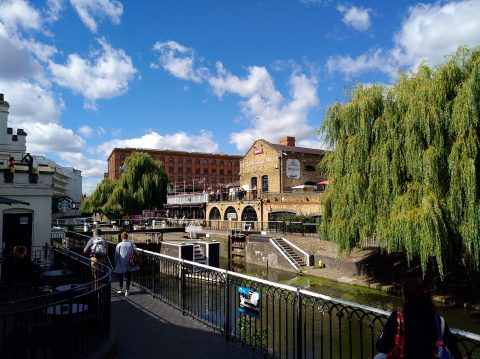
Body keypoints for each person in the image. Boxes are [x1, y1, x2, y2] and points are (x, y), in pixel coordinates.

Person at [374, 278, 461, 359]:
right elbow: (456, 353)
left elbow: (381, 346)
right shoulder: (439, 321)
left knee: (379, 357)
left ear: (406, 298)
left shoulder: (397, 318)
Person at [113, 231, 140, 296]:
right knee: (128, 276)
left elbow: (116, 255)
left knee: (121, 276)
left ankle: (121, 289)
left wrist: (115, 262)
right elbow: (135, 250)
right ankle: (127, 291)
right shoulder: (131, 244)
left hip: (121, 262)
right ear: (127, 237)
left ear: (121, 237)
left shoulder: (119, 245)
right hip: (129, 262)